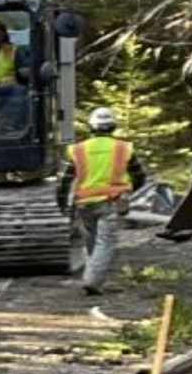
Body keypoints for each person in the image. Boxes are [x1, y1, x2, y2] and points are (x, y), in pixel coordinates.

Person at [59, 106, 146, 293]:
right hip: (112, 201)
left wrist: (62, 204)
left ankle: (93, 277)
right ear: (113, 127)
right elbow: (139, 176)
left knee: (91, 240)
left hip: (84, 203)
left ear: (91, 127)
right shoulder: (124, 148)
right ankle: (92, 280)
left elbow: (65, 181)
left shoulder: (78, 150)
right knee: (105, 242)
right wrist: (128, 192)